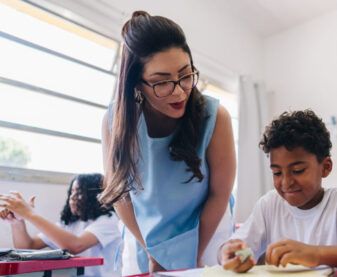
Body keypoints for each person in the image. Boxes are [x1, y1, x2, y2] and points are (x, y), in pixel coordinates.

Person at [98, 11, 236, 273]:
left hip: (205, 232)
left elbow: (220, 193)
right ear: (136, 84)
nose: (179, 90)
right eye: (162, 82)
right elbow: (120, 194)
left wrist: (193, 254)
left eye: (185, 75)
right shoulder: (115, 121)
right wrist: (152, 251)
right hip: (143, 235)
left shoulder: (215, 116)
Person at [219, 110, 337, 274]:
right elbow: (231, 248)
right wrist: (228, 253)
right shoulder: (269, 205)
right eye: (277, 172)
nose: (286, 182)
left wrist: (316, 254)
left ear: (325, 167)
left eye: (298, 170)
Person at [0, 173, 121, 276]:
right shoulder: (69, 223)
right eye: (71, 192)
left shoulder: (108, 220)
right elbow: (27, 246)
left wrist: (29, 214)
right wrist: (17, 221)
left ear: (95, 196)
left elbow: (76, 245)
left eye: (79, 192)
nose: (72, 197)